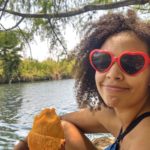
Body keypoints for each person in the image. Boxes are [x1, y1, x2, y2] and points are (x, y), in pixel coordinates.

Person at [14, 10, 150, 150]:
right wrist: (23, 145)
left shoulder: (144, 140)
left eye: (131, 63)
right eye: (103, 60)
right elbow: (56, 122)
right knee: (60, 129)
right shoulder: (114, 114)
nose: (112, 74)